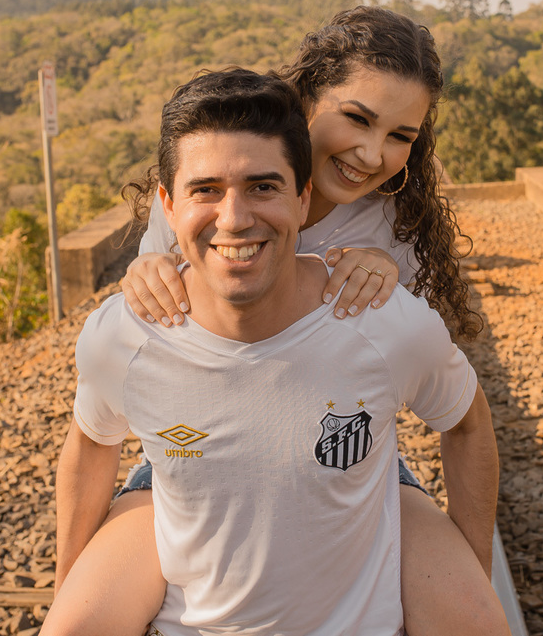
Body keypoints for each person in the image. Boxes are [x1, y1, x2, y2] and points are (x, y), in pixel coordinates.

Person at [42, 69, 504, 635]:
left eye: (263, 187)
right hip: (180, 476)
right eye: (206, 189)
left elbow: (466, 419)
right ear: (166, 204)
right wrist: (68, 586)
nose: (235, 217)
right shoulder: (128, 333)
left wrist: (474, 573)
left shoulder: (385, 306)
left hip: (353, 470)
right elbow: (91, 441)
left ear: (301, 195)